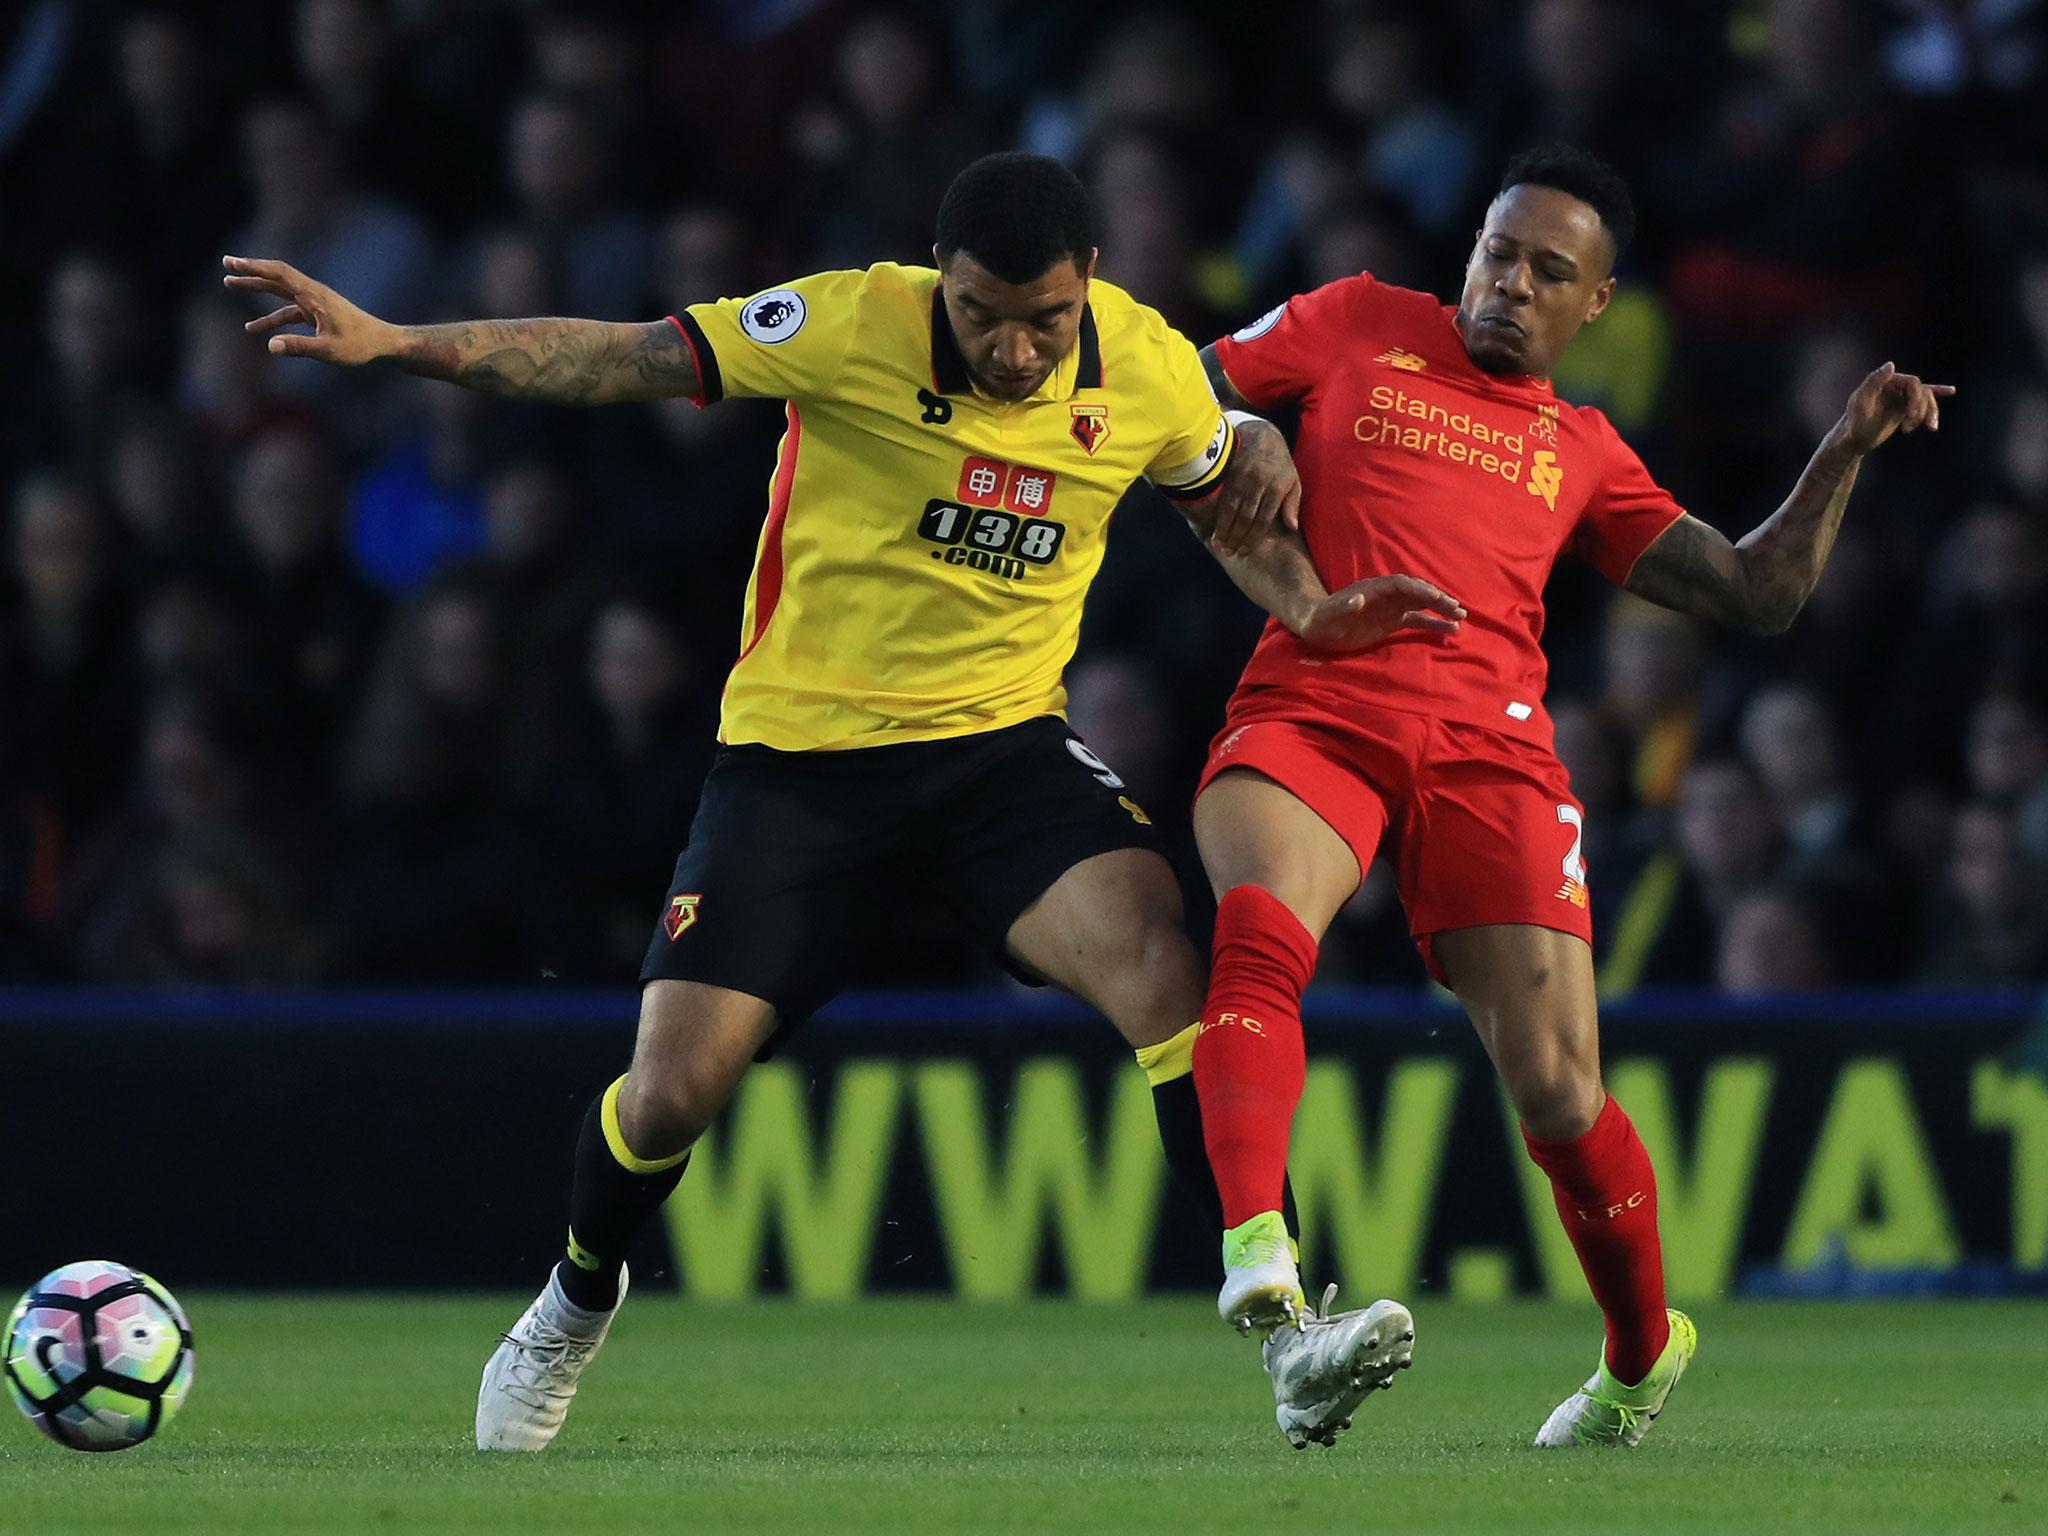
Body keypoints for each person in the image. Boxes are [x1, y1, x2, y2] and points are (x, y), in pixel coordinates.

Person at [224, 151, 1460, 1453]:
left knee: (1167, 968)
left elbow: (1227, 509)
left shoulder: (1147, 367)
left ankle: (1286, 1338)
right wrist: (402, 342)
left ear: (1088, 282)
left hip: (1000, 757)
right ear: (943, 280)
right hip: (799, 767)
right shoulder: (849, 322)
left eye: (1044, 319)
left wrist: (1313, 604)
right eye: (982, 314)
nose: (1016, 348)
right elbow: (618, 358)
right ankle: (572, 1305)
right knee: (667, 1101)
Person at [1188, 144, 1951, 1447]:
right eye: (1499, 252)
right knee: (1262, 931)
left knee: (1555, 1093)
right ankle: (1260, 1254)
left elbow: (1758, 593)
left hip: (1496, 757)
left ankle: (1640, 1360)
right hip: (1318, 698)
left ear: (1596, 304)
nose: (1511, 286)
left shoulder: (1585, 449)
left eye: (1551, 272)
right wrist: (1247, 421)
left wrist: (1843, 448)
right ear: (1471, 247)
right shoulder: (1359, 319)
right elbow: (1174, 391)